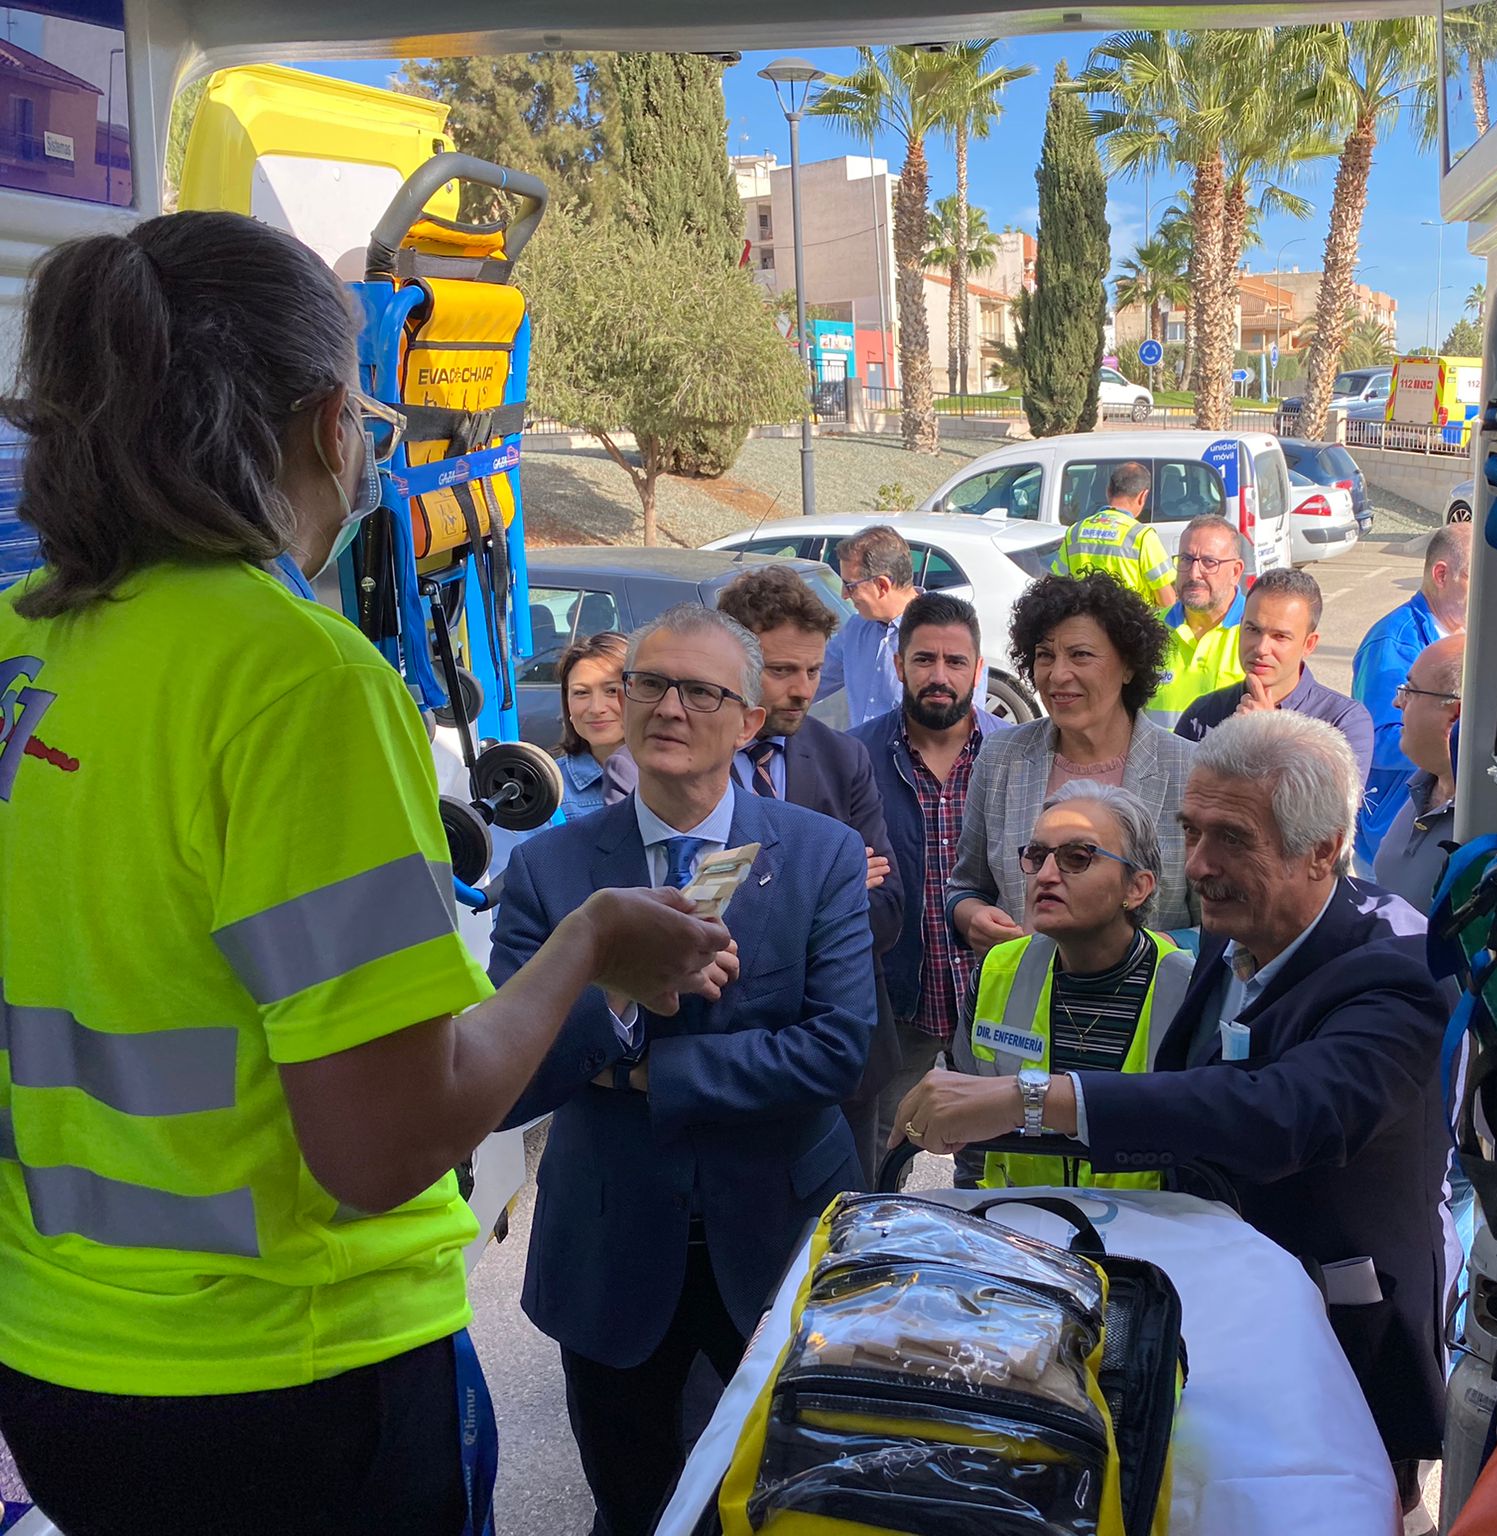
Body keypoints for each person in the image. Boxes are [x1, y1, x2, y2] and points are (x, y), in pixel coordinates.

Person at [0, 212, 729, 1536]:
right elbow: (386, 1148)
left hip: (59, 1375)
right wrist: (586, 947)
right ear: (328, 424)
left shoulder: (23, 647)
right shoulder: (297, 681)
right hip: (292, 1390)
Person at [896, 711, 1452, 1520]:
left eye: (1231, 840)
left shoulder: (1400, 970)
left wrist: (1028, 1096)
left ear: (1324, 848)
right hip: (1221, 1314)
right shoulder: (1239, 931)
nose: (1200, 866)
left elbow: (1277, 1115)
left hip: (1342, 1330)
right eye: (1191, 832)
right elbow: (1187, 1098)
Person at [491, 605, 875, 1536]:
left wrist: (653, 1078)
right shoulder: (551, 871)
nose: (668, 707)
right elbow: (514, 1068)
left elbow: (838, 1047)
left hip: (779, 1237)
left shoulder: (820, 855)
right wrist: (618, 994)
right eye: (649, 684)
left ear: (747, 720)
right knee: (632, 1504)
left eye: (700, 691)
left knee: (792, 1500)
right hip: (612, 1245)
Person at [715, 565, 904, 1185]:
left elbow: (887, 909)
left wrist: (758, 903)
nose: (802, 690)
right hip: (729, 1055)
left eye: (814, 671)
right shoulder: (689, 759)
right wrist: (831, 887)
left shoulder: (842, 756)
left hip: (841, 1055)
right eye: (781, 671)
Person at [954, 782, 1194, 1189]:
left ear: (1136, 888)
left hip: (1148, 1234)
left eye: (1077, 858)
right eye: (1036, 855)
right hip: (1016, 1227)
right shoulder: (998, 971)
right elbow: (970, 1139)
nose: (1046, 875)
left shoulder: (1187, 988)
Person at [946, 572, 1198, 957]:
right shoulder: (1001, 758)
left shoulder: (1189, 770)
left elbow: (1226, 924)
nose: (1058, 675)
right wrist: (971, 916)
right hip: (1023, 1004)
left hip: (1151, 1006)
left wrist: (1161, 948)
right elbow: (966, 886)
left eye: (1080, 654)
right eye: (1045, 655)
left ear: (1128, 665)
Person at [849, 591, 1007, 1172]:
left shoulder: (1013, 756)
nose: (939, 676)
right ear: (899, 666)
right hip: (895, 1003)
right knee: (875, 1159)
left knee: (996, 1166)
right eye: (924, 660)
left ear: (978, 670)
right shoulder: (854, 757)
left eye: (955, 662)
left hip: (995, 1002)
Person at [1175, 568, 1377, 852]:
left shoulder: (1344, 721)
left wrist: (1268, 737)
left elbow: (1329, 821)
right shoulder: (1204, 714)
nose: (1261, 647)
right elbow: (1181, 811)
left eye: (1280, 637)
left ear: (1309, 644)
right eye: (1253, 630)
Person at [1353, 521, 1471, 863]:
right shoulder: (1393, 643)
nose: (1489, 588)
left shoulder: (1463, 634)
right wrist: (1458, 748)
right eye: (1476, 576)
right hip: (1391, 835)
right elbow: (1378, 741)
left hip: (1436, 828)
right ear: (1441, 574)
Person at [821, 523, 988, 726]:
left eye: (850, 586)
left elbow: (965, 726)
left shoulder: (949, 633)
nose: (844, 595)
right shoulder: (856, 629)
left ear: (882, 585)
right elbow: (815, 678)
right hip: (861, 755)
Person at [1373, 632, 1465, 910]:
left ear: (1455, 715)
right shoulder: (1423, 785)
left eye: (1410, 691)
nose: (1397, 702)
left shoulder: (1484, 822)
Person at [1146, 514, 1247, 721]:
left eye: (1209, 562)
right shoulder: (1150, 632)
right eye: (1186, 559)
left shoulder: (1256, 635)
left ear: (1235, 572)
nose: (1194, 574)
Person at [1048, 460, 1176, 610]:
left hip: (1087, 625)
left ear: (1108, 491)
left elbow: (1057, 585)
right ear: (1143, 496)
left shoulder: (1075, 531)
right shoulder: (1141, 537)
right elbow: (1167, 601)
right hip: (1129, 626)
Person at [556, 630, 631, 820]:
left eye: (612, 690)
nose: (596, 708)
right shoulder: (549, 788)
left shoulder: (674, 776)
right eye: (581, 693)